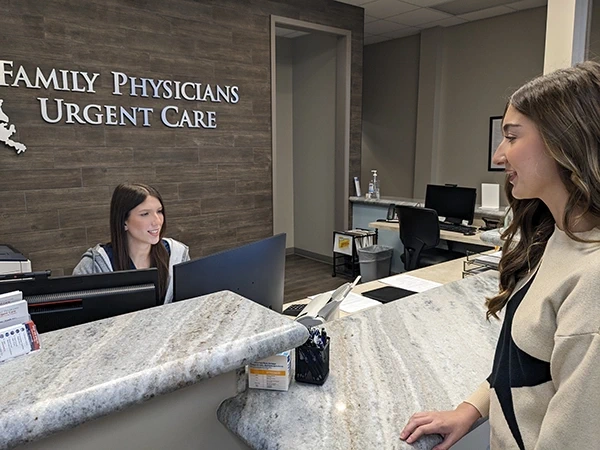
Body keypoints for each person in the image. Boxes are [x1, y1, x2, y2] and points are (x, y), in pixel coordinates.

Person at [401, 61, 600, 450]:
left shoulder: (592, 278)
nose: (498, 155)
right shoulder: (557, 235)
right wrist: (470, 410)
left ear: (565, 141)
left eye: (511, 137)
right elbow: (523, 366)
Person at [73, 183, 190, 304]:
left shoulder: (178, 254)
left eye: (159, 211)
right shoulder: (94, 265)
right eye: (145, 214)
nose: (157, 221)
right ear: (124, 222)